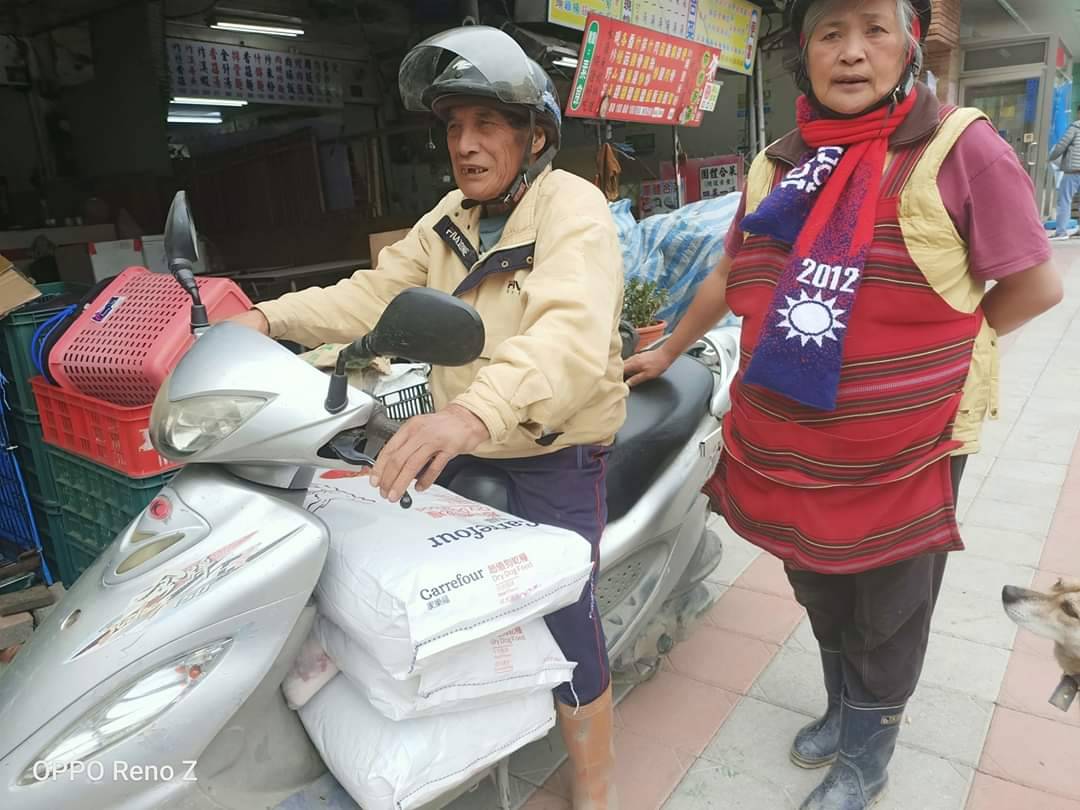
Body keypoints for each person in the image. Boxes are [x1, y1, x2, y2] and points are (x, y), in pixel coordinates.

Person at [624, 1, 1062, 808]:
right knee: (816, 575)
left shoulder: (959, 149)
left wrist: (943, 356)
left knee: (889, 598)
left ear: (908, 48)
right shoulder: (777, 161)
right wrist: (669, 345)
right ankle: (841, 707)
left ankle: (868, 753)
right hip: (792, 429)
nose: (852, 53)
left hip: (910, 439)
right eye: (831, 33)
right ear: (805, 52)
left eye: (874, 31)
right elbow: (732, 274)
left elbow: (1035, 283)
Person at [227, 26, 626, 810]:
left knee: (566, 624)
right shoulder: (450, 218)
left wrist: (473, 413)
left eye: (486, 125)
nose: (466, 146)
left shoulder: (571, 208)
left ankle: (596, 786)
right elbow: (370, 297)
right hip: (468, 451)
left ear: (535, 134)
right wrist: (266, 321)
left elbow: (567, 337)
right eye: (453, 128)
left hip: (551, 457)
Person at [1049, 105, 1080, 239]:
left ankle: (1061, 232)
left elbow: (1062, 145)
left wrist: (1050, 158)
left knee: (1065, 200)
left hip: (1073, 170)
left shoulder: (1075, 127)